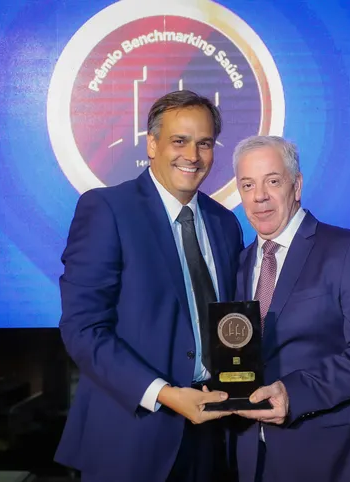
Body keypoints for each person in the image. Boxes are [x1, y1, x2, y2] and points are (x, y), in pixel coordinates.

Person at [54, 90, 242, 482]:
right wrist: (165, 394)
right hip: (132, 435)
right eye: (179, 140)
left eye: (204, 143)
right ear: (152, 144)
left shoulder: (225, 222)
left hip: (214, 432)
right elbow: (83, 329)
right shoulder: (107, 209)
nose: (192, 155)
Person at [229, 135, 350, 481]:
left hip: (337, 457)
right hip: (254, 460)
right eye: (248, 185)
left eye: (272, 181)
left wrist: (294, 393)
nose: (259, 196)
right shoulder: (240, 263)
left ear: (297, 185)